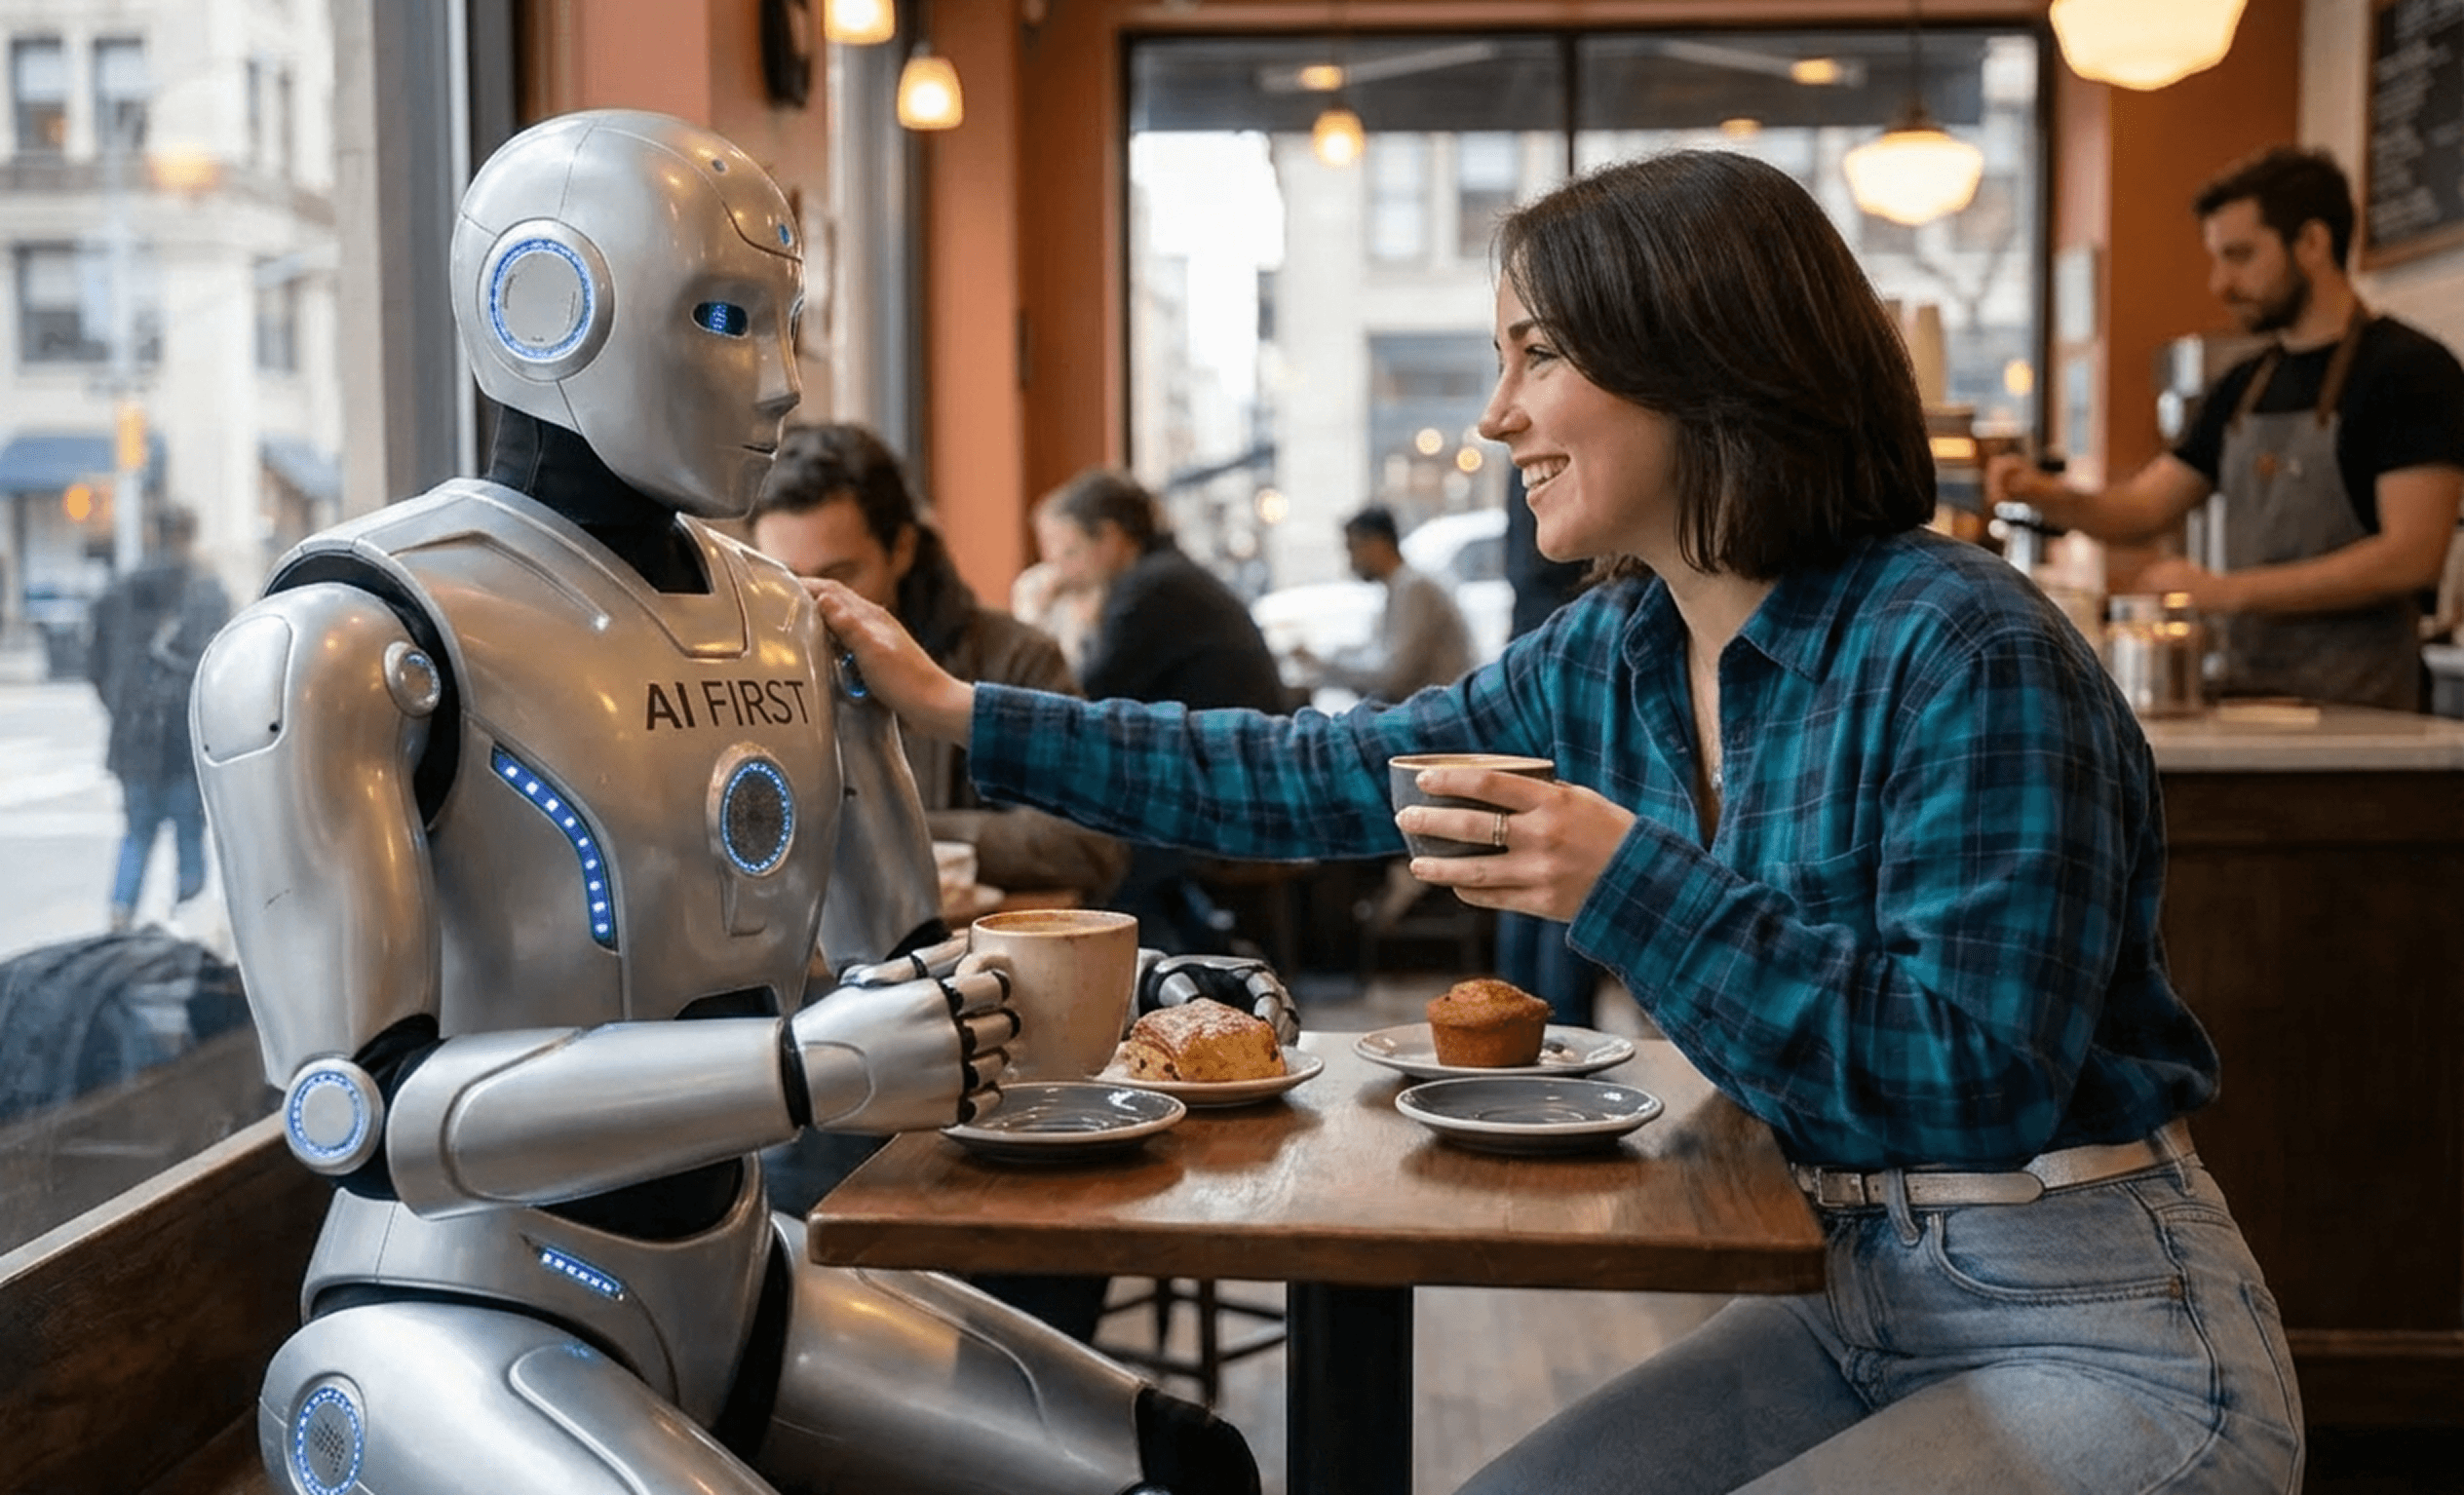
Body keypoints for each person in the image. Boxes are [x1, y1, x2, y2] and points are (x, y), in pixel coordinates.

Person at [814, 150, 2303, 1494]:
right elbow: (1309, 774)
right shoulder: (1620, 651)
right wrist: (958, 712)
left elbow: (1972, 1076)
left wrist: (1624, 879)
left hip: (2098, 1323)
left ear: (1699, 361)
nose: (1494, 410)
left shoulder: (1965, 648)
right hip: (1842, 1297)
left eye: (1538, 352)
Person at [190, 109, 1253, 1495]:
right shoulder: (345, 638)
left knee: (1176, 1464)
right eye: (723, 316)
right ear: (543, 298)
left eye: (784, 319)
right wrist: (803, 1070)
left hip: (741, 1278)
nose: (782, 383)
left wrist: (1101, 989)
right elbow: (369, 1118)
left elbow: (902, 953)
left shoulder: (781, 617)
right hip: (456, 1307)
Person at [1988, 145, 2464, 710]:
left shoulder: (2409, 371)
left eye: (2239, 256)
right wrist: (2041, 494)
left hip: (2366, 713)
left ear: (2312, 243)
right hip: (2249, 697)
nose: (2220, 283)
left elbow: (2411, 554)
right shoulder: (2245, 384)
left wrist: (2227, 591)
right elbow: (2140, 511)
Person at [749, 422, 1128, 906]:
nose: (808, 602)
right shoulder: (746, 674)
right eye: (786, 578)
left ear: (902, 550)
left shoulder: (1012, 657)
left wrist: (891, 828)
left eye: (838, 575)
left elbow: (1090, 841)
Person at [1031, 468, 1290, 953]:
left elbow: (1084, 703)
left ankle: (1163, 983)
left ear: (1109, 537)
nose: (1061, 572)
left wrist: (1041, 616)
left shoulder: (1152, 591)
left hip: (1231, 792)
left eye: (1068, 553)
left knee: (1102, 854)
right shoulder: (1164, 578)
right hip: (1239, 776)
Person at [87, 505, 229, 932]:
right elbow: (223, 665)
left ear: (154, 532)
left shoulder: (118, 591)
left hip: (134, 740)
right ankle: (187, 931)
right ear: (191, 534)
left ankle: (119, 922)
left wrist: (120, 707)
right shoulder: (207, 593)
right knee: (189, 838)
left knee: (136, 836)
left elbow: (95, 663)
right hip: (184, 738)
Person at [1291, 504, 1473, 704]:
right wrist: (1326, 659)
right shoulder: (1401, 587)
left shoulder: (1415, 588)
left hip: (1440, 718)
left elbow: (1393, 677)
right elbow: (1376, 656)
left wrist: (1323, 665)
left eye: (1353, 548)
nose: (1350, 561)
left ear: (1377, 544)